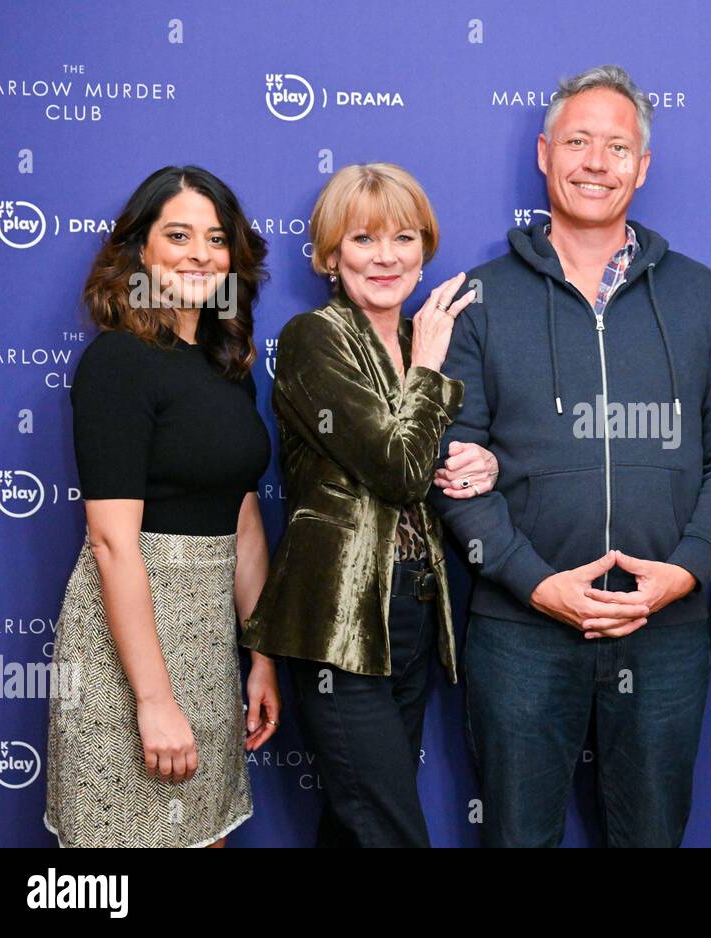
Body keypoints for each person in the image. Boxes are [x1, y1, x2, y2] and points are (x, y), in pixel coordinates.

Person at [429, 65, 711, 847]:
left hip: (665, 625)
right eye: (577, 141)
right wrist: (537, 583)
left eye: (617, 147)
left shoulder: (701, 296)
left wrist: (684, 571)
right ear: (545, 154)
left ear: (642, 168)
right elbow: (453, 462)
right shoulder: (478, 298)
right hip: (519, 627)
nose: (595, 161)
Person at [240, 163, 492, 847]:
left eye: (403, 238)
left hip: (412, 609)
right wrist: (433, 371)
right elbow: (398, 469)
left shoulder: (417, 341)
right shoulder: (313, 339)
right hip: (338, 619)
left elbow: (435, 463)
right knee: (388, 829)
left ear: (424, 248)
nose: (386, 257)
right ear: (329, 255)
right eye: (362, 240)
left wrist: (484, 461)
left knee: (356, 827)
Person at [45, 165, 279, 848]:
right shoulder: (118, 362)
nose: (200, 254)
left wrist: (259, 651)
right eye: (178, 235)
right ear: (140, 250)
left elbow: (242, 518)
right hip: (127, 654)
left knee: (205, 837)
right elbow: (113, 542)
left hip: (208, 647)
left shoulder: (226, 362)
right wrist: (151, 701)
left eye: (215, 238)